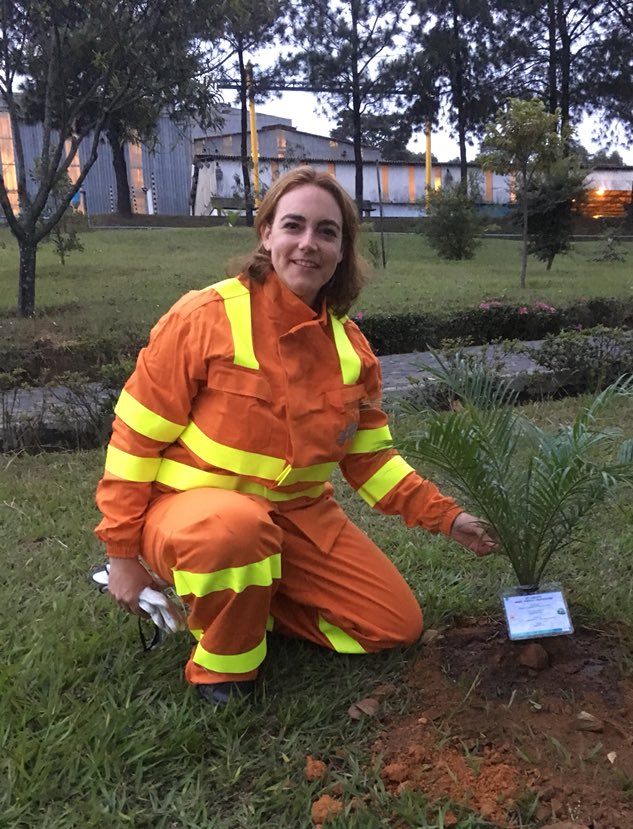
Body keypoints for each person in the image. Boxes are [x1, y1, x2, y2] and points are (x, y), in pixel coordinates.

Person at [95, 167, 495, 705]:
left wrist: (450, 518)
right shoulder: (202, 318)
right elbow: (133, 441)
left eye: (327, 232)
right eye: (294, 226)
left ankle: (251, 598)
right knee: (236, 530)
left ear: (342, 251)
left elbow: (373, 464)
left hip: (297, 517)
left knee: (392, 625)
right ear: (267, 235)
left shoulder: (352, 351)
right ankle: (223, 671)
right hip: (193, 515)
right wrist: (121, 555)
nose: (308, 244)